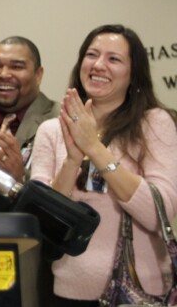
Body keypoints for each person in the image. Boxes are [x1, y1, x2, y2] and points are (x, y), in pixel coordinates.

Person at [30, 24, 177, 305]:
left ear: (134, 74)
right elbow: (45, 222)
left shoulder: (155, 123)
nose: (99, 65)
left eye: (114, 59)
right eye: (92, 55)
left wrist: (95, 149)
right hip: (68, 292)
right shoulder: (51, 130)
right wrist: (73, 160)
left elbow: (159, 213)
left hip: (139, 292)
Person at [0, 36, 59, 185]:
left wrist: (19, 179)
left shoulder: (61, 122)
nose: (3, 74)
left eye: (16, 67)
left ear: (38, 75)